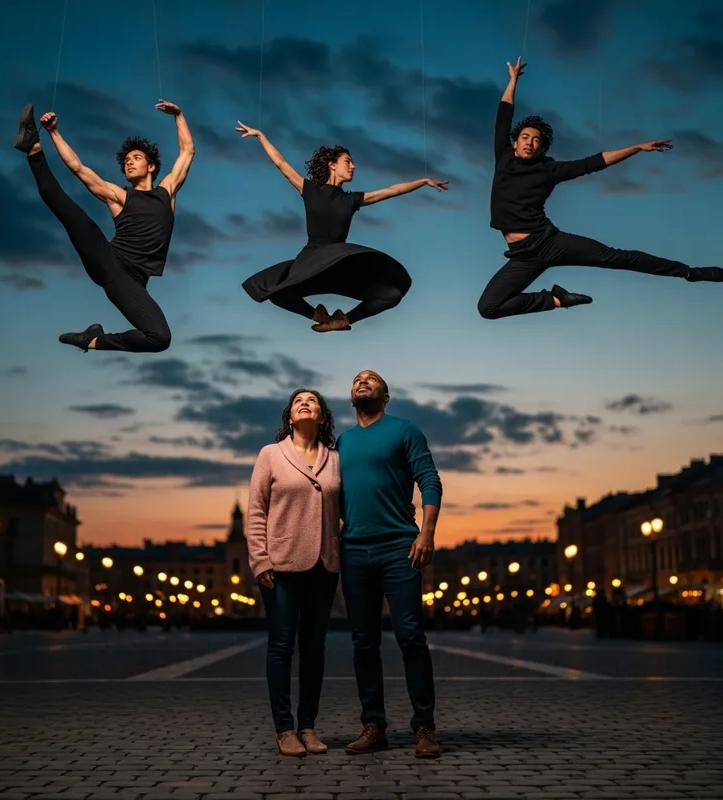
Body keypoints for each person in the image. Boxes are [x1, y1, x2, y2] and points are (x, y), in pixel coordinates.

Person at [478, 57, 723, 320]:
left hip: (550, 243)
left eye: (536, 140)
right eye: (525, 138)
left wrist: (637, 148)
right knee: (488, 308)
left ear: (542, 148)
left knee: (618, 258)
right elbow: (504, 114)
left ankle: (691, 273)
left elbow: (594, 163)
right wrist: (513, 80)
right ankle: (556, 299)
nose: (529, 143)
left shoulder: (549, 169)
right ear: (515, 143)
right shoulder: (503, 155)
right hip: (522, 257)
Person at [12, 99, 195, 351]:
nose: (129, 162)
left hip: (133, 282)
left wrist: (179, 115)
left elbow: (187, 152)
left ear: (151, 166)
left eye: (137, 158)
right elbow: (78, 168)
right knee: (67, 210)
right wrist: (54, 132)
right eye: (127, 160)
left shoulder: (168, 191)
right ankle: (33, 148)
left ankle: (92, 339)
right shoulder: (119, 197)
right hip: (110, 261)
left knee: (160, 338)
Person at [236, 121, 448, 332]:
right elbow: (281, 164)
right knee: (274, 291)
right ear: (332, 164)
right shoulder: (310, 190)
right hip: (311, 263)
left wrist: (423, 181)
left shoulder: (351, 199)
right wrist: (261, 136)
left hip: (340, 265)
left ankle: (344, 320)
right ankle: (318, 315)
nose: (353, 166)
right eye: (348, 161)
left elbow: (392, 190)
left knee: (392, 295)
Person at [336, 370, 442, 758]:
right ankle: (374, 725)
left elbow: (430, 480)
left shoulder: (405, 430)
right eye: (357, 379)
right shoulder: (342, 442)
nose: (362, 380)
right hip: (354, 551)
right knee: (363, 642)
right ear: (351, 397)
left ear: (386, 396)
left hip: (400, 547)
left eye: (372, 378)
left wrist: (426, 533)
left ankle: (425, 727)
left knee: (411, 637)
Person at [245, 389, 342, 757]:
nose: (306, 403)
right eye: (299, 400)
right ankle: (284, 729)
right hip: (281, 564)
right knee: (282, 647)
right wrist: (260, 559)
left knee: (314, 649)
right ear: (289, 417)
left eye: (313, 401)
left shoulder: (335, 459)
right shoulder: (270, 455)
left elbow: (348, 506)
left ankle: (308, 726)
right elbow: (256, 510)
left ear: (322, 418)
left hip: (324, 564)